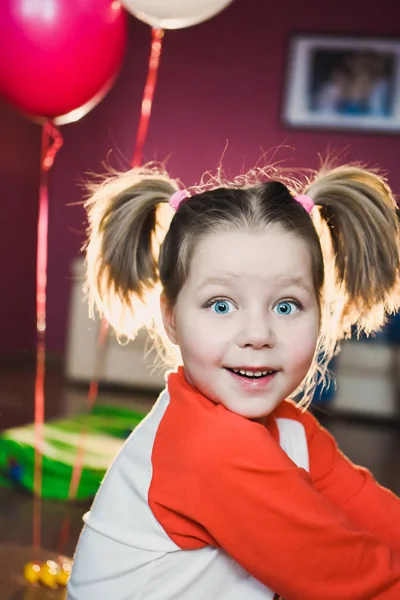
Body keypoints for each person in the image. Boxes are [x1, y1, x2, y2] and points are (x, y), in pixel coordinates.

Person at [67, 163, 400, 600]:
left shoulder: (293, 431)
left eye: (286, 306)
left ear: (321, 312)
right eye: (221, 305)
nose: (258, 335)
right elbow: (358, 583)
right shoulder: (209, 447)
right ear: (170, 318)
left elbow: (381, 520)